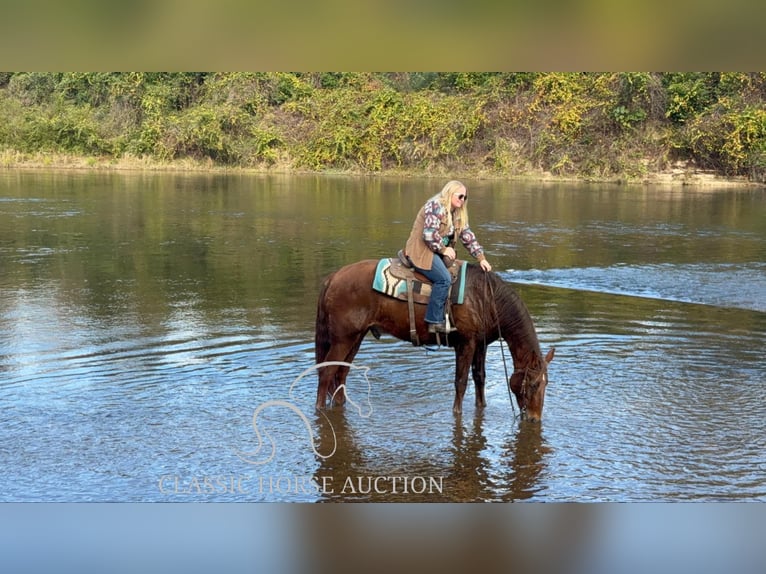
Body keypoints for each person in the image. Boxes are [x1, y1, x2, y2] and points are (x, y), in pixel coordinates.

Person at [404, 180, 492, 333]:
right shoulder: (435, 206)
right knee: (444, 279)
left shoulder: (458, 214)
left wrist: (481, 258)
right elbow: (429, 234)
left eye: (465, 197)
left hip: (436, 251)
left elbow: (467, 236)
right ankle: (434, 321)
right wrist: (444, 250)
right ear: (449, 193)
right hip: (422, 251)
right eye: (460, 196)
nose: (462, 200)